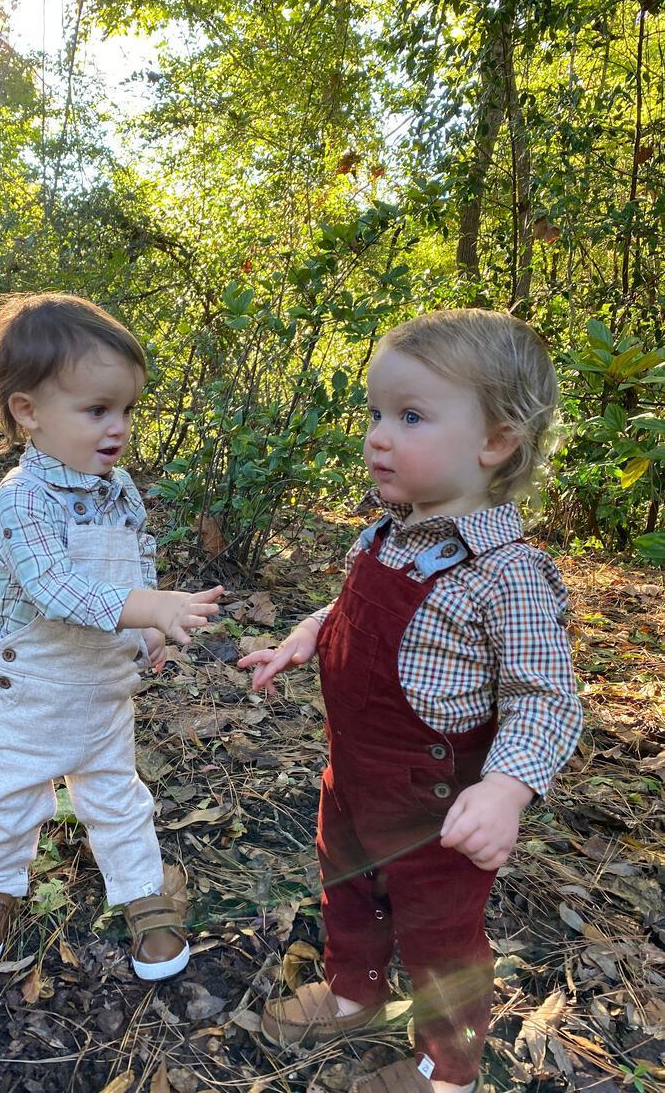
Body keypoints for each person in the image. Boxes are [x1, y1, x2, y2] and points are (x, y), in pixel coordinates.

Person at [239, 309, 581, 1093]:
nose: (378, 436)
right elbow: (351, 612)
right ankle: (356, 989)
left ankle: (446, 1069)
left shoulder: (507, 575)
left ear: (495, 441)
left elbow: (546, 697)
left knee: (440, 937)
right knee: (348, 888)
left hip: (441, 808)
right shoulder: (384, 537)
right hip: (355, 780)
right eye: (376, 414)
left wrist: (506, 787)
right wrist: (306, 636)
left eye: (411, 416)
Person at [0, 293, 223, 979]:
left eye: (126, 410)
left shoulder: (118, 487)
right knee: (7, 792)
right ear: (29, 412)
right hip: (35, 687)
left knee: (117, 795)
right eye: (97, 410)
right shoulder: (21, 499)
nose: (118, 427)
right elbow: (55, 589)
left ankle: (141, 894)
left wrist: (149, 632)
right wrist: (149, 605)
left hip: (104, 686)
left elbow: (137, 554)